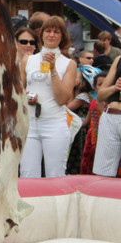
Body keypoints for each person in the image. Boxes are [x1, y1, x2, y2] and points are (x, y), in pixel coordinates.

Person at [19, 16, 76, 178]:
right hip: (30, 123)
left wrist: (53, 69)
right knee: (28, 174)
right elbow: (18, 91)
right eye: (48, 31)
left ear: (62, 36)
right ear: (41, 34)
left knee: (55, 174)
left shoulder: (69, 64)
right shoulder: (28, 60)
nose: (51, 35)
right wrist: (26, 97)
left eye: (56, 32)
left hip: (54, 123)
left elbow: (62, 99)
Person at [92, 55, 121, 177]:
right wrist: (115, 87)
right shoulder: (119, 59)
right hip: (110, 117)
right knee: (102, 173)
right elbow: (100, 95)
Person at [80, 71, 109, 174]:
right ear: (95, 87)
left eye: (106, 84)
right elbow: (87, 121)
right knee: (90, 163)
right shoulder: (93, 102)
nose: (102, 87)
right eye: (100, 84)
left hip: (106, 137)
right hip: (92, 137)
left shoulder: (112, 105)